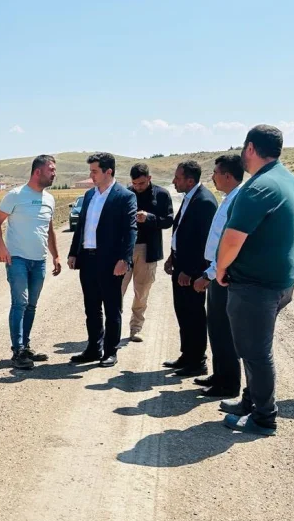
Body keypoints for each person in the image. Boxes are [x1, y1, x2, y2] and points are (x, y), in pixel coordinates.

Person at [214, 124, 294, 435]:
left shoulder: (259, 188)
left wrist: (221, 268)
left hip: (256, 285)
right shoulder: (287, 180)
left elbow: (232, 240)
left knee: (255, 351)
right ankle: (250, 402)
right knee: (255, 347)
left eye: (243, 148)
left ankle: (265, 417)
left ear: (251, 148)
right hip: (279, 282)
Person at [0, 155, 62, 369]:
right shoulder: (15, 196)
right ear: (37, 171)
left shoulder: (49, 199)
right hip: (18, 259)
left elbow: (48, 229)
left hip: (38, 261)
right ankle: (17, 351)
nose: (54, 173)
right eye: (51, 169)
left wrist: (55, 255)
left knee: (31, 305)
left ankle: (26, 346)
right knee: (19, 303)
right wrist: (2, 248)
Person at [67, 152, 137, 367]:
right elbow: (81, 227)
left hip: (110, 262)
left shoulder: (124, 196)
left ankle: (110, 351)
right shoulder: (89, 196)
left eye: (95, 171)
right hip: (88, 260)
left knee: (112, 308)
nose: (91, 176)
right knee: (91, 307)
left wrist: (124, 259)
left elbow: (130, 230)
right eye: (90, 171)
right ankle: (93, 348)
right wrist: (73, 252)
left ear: (109, 171)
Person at [192, 154, 245, 398]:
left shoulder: (238, 200)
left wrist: (210, 274)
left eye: (215, 173)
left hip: (223, 275)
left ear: (226, 175)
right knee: (216, 328)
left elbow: (229, 244)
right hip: (216, 272)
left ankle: (229, 383)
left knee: (224, 331)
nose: (212, 177)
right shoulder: (228, 198)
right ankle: (220, 374)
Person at [162, 161, 217, 377]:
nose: (174, 181)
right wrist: (172, 257)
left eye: (177, 178)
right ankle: (187, 355)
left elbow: (204, 243)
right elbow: (182, 234)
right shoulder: (190, 198)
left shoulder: (204, 201)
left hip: (191, 273)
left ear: (190, 180)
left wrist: (191, 271)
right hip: (180, 267)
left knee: (194, 315)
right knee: (183, 313)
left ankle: (197, 361)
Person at [122, 162, 174, 342]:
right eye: (134, 184)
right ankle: (111, 329)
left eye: (141, 184)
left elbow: (168, 221)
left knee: (142, 291)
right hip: (126, 249)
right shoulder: (126, 194)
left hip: (148, 249)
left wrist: (149, 218)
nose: (137, 187)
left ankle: (136, 328)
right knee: (116, 290)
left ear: (149, 178)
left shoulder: (161, 195)